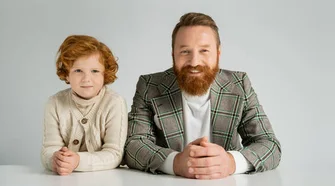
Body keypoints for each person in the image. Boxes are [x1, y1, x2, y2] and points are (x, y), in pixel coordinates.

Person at [125, 12, 281, 179]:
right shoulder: (150, 86)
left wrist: (230, 162)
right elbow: (133, 145)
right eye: (185, 51)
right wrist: (175, 162)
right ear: (173, 54)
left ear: (218, 53)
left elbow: (269, 145)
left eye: (204, 50)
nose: (194, 62)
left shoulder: (239, 84)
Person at [41, 35, 128, 175]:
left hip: (105, 179)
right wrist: (55, 160)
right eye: (78, 71)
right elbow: (49, 149)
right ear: (67, 75)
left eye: (95, 71)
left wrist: (78, 161)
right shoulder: (55, 103)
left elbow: (114, 153)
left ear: (105, 74)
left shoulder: (114, 103)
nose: (87, 79)